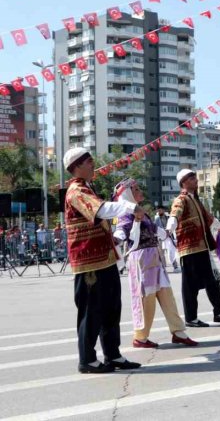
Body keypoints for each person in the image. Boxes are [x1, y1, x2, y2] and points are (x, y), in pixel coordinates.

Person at [62, 147, 142, 374]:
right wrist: (129, 205)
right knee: (91, 311)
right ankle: (87, 359)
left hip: (104, 259)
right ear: (76, 167)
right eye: (88, 161)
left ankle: (113, 354)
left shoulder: (88, 188)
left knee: (111, 308)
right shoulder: (76, 191)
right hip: (90, 262)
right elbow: (102, 210)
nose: (93, 164)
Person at [112, 179, 197, 348]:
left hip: (154, 258)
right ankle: (141, 337)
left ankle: (178, 331)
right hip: (142, 260)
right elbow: (122, 231)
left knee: (167, 294)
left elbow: (154, 230)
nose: (139, 190)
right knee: (146, 299)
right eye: (135, 189)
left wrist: (167, 232)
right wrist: (116, 240)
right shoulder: (125, 213)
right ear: (128, 194)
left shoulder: (142, 212)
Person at [166, 169, 220, 327]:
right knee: (190, 285)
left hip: (202, 248)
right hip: (189, 249)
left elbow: (209, 218)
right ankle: (191, 318)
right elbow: (174, 215)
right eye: (191, 178)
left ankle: (219, 312)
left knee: (213, 281)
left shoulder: (196, 200)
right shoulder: (181, 199)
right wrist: (169, 228)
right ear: (183, 182)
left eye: (194, 177)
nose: (195, 180)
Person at [153, 206, 178, 271]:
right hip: (160, 238)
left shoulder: (168, 218)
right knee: (161, 254)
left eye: (160, 210)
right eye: (158, 211)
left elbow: (172, 226)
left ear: (163, 210)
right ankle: (163, 268)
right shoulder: (156, 220)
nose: (159, 212)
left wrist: (169, 232)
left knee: (171, 251)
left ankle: (175, 266)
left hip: (169, 237)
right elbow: (154, 229)